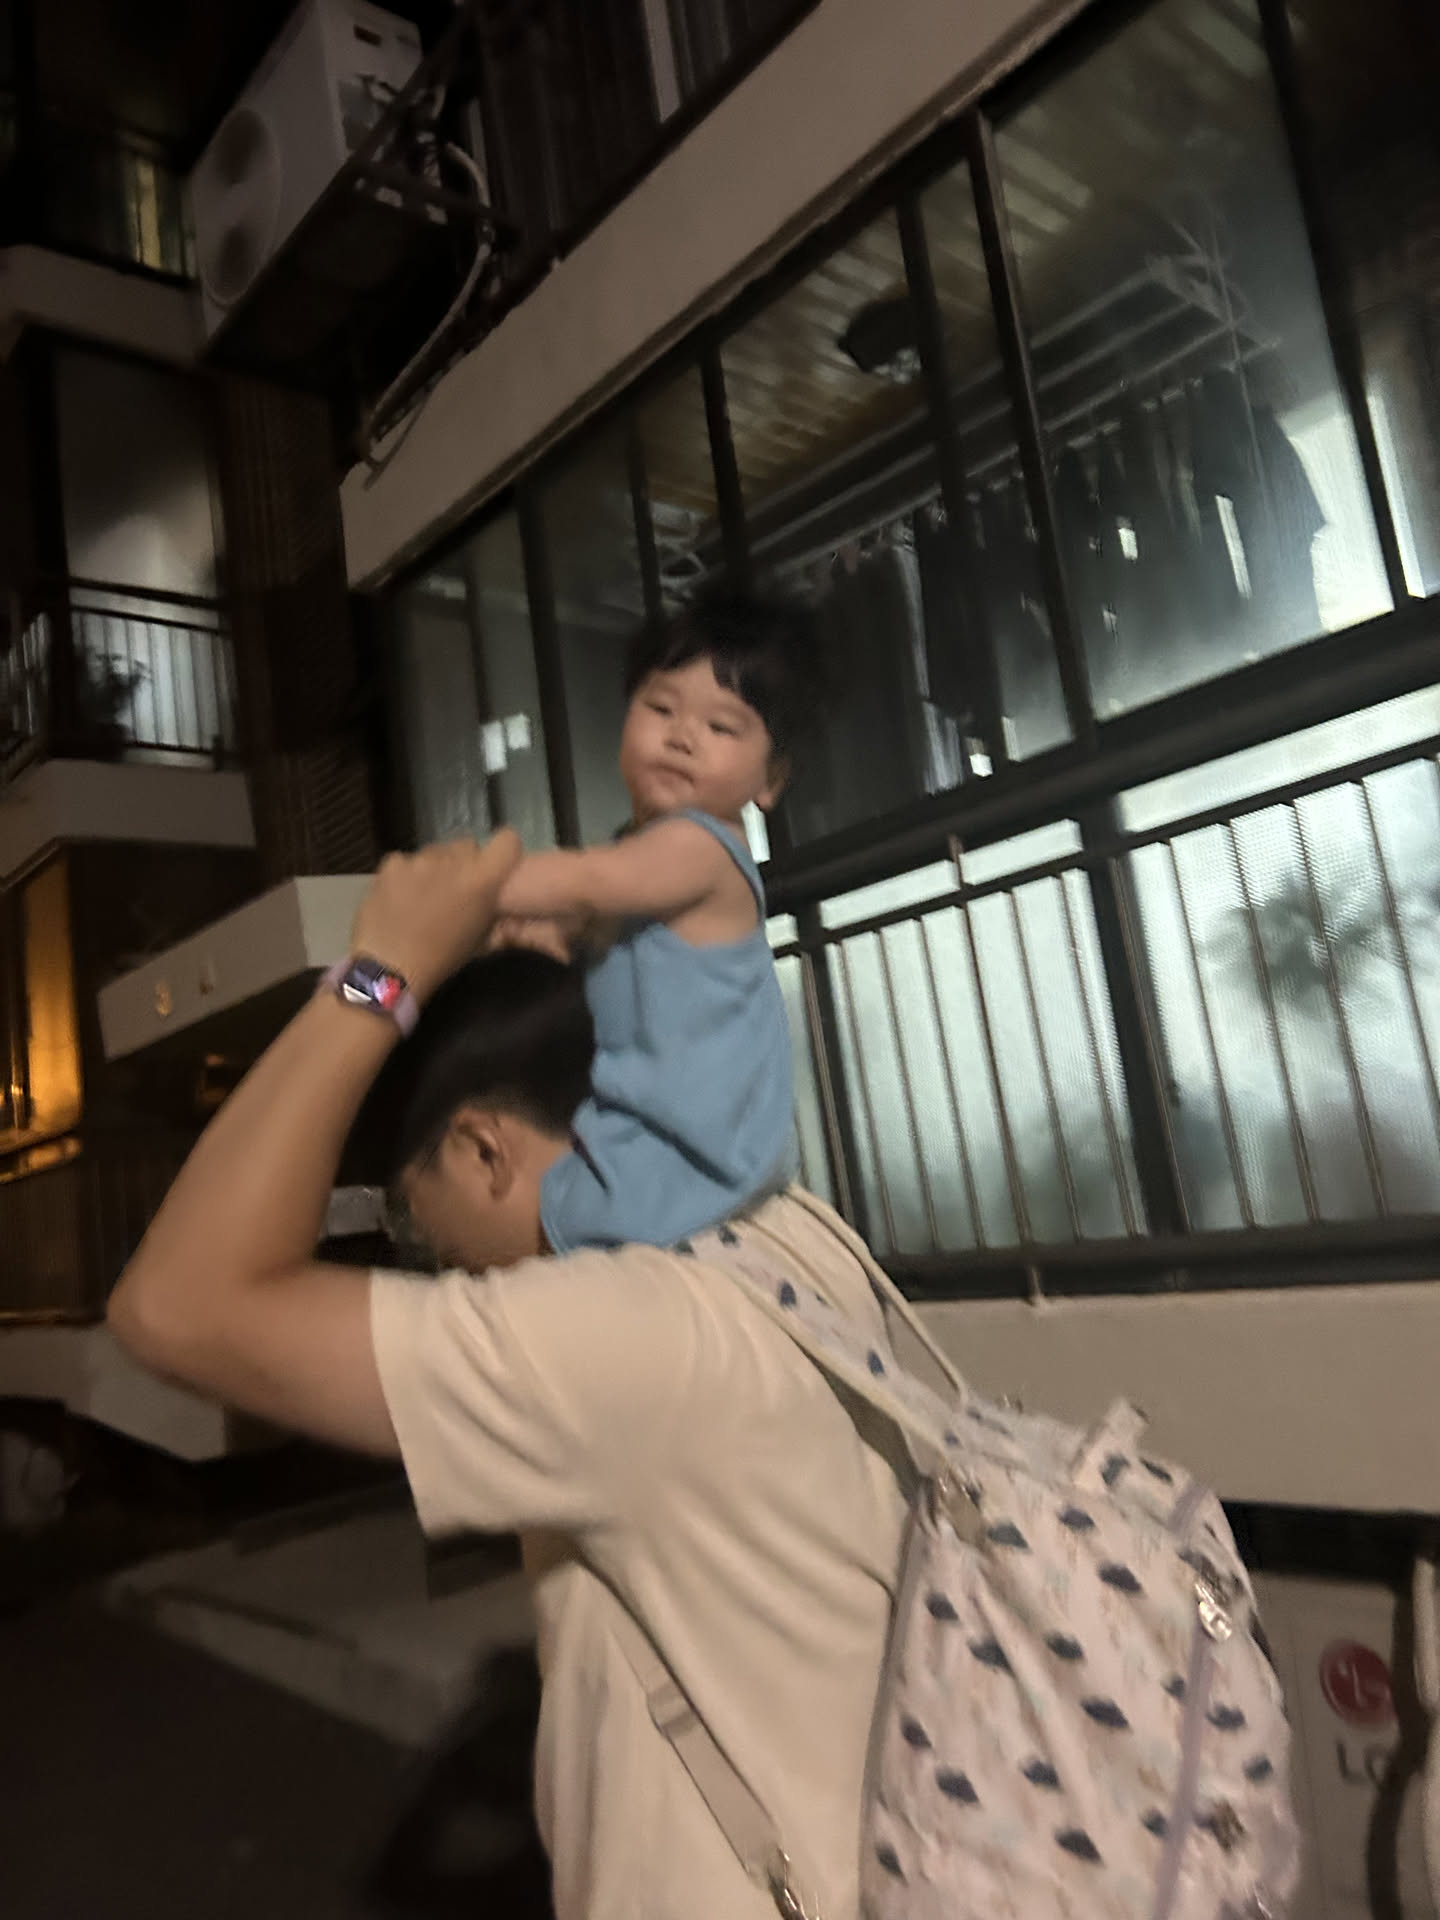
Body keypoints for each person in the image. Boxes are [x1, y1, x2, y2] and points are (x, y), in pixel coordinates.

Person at [108, 833, 909, 1920]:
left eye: (418, 1222)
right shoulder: (782, 1230)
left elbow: (173, 1305)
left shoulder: (609, 1341)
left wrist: (379, 974)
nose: (438, 1261)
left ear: (483, 1149)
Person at [491, 590, 824, 1252]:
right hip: (647, 1135)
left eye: (721, 727)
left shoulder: (703, 847)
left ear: (771, 779)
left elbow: (586, 881)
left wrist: (469, 885)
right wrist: (547, 938)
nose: (681, 736)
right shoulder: (636, 857)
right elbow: (592, 919)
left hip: (689, 1157)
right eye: (661, 708)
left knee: (523, 1221)